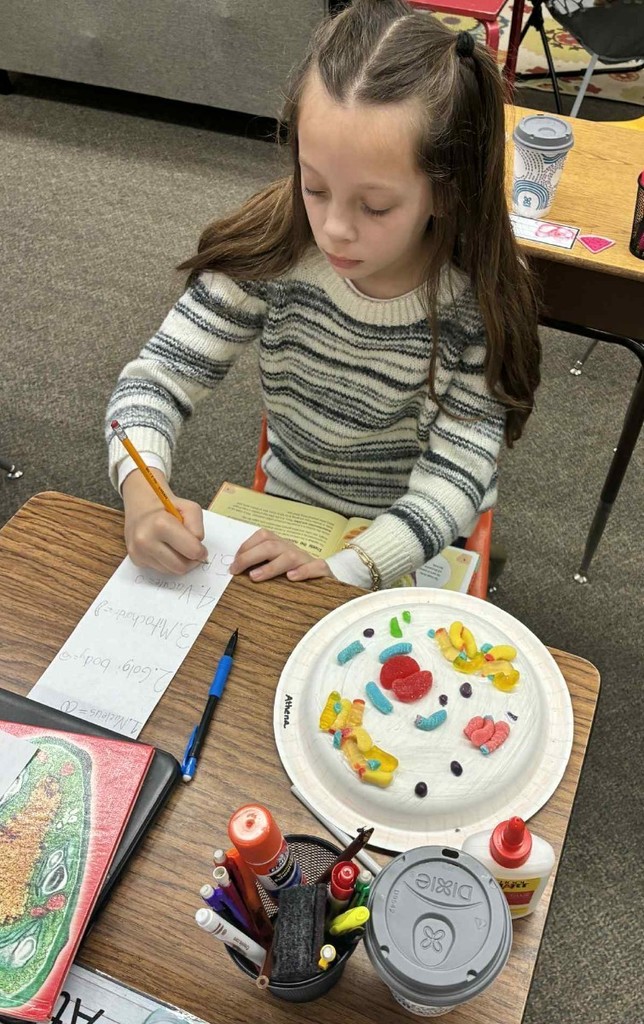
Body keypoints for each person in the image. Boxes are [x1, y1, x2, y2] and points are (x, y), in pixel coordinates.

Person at [106, 0, 540, 591]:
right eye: (314, 186)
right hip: (291, 509)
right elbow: (154, 381)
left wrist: (351, 567)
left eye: (375, 206)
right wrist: (143, 493)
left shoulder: (476, 300)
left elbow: (454, 480)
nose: (334, 228)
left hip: (414, 532)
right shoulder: (276, 247)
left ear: (447, 191)